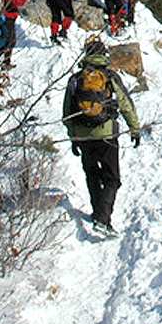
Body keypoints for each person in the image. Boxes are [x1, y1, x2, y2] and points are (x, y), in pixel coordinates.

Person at [62, 36, 140, 234]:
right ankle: (103, 220)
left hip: (84, 136)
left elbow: (67, 113)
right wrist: (135, 128)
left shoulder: (76, 79)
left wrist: (73, 138)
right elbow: (125, 105)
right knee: (112, 178)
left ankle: (98, 213)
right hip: (106, 134)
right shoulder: (110, 77)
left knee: (92, 174)